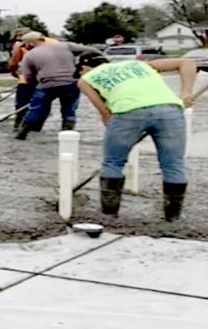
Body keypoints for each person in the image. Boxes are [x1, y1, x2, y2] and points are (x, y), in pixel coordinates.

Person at [76, 53, 198, 220]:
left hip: (127, 112)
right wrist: (186, 93)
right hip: (169, 110)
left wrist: (119, 129)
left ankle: (109, 214)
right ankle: (172, 217)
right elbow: (187, 62)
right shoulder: (139, 64)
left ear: (84, 68)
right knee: (173, 164)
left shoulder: (85, 80)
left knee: (113, 162)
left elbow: (105, 112)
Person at [14, 32, 84, 139]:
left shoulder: (30, 55)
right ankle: (68, 134)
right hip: (71, 83)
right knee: (69, 109)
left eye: (25, 44)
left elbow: (28, 77)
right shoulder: (65, 45)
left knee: (35, 108)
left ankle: (23, 132)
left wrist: (35, 85)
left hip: (47, 85)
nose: (25, 47)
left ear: (31, 43)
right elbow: (90, 50)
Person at [5, 28, 32, 133]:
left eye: (21, 36)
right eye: (18, 36)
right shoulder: (20, 47)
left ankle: (21, 124)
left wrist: (14, 73)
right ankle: (21, 123)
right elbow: (13, 62)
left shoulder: (20, 47)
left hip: (29, 79)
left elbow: (13, 63)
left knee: (23, 103)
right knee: (25, 103)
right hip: (27, 79)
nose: (19, 38)